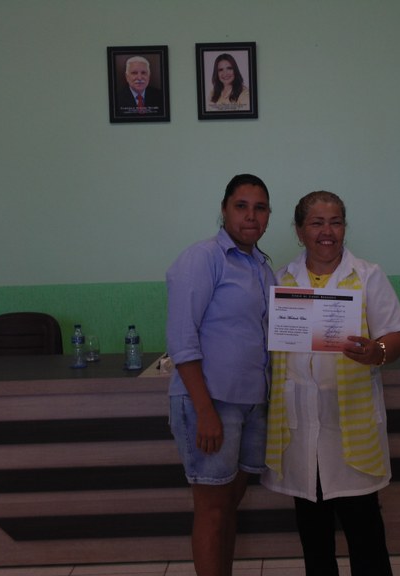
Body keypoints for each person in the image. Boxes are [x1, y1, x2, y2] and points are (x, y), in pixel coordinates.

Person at [262, 191, 400, 576]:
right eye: (317, 223)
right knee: (314, 540)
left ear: (345, 228)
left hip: (351, 427)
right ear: (299, 231)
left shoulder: (367, 275)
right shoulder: (282, 279)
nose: (327, 231)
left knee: (366, 536)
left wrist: (377, 351)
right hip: (300, 427)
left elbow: (398, 334)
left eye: (335, 222)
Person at [166, 174, 274, 576]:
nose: (251, 216)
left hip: (252, 404)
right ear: (224, 209)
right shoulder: (202, 258)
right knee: (212, 509)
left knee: (229, 505)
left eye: (260, 208)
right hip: (211, 403)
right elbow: (182, 340)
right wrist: (205, 410)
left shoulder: (262, 267)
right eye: (241, 206)